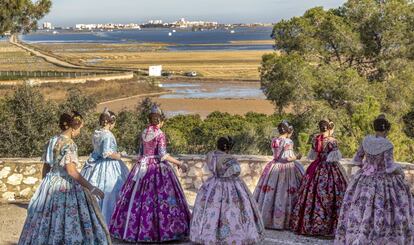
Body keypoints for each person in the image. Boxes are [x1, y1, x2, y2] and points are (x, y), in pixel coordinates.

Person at [18, 111, 111, 245]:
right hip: (64, 185)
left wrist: (45, 185)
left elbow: (46, 166)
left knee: (46, 220)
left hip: (49, 183)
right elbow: (71, 171)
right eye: (80, 128)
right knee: (67, 220)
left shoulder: (52, 141)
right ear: (74, 127)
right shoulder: (69, 144)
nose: (80, 132)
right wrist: (91, 188)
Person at [109, 105, 191, 243]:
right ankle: (162, 232)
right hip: (155, 168)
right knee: (161, 199)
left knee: (137, 199)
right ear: (160, 120)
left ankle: (134, 230)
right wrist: (179, 163)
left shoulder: (143, 132)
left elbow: (141, 153)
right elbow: (163, 155)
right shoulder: (160, 134)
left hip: (141, 166)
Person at [335, 115, 414, 244]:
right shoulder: (388, 144)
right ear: (387, 130)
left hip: (364, 180)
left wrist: (366, 168)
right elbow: (389, 168)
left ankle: (358, 235)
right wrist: (399, 171)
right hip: (383, 181)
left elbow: (356, 160)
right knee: (386, 208)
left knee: (360, 207)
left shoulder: (366, 140)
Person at [190, 136, 264, 244]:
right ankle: (232, 236)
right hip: (230, 185)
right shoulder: (229, 159)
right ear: (227, 147)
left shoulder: (211, 155)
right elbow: (236, 172)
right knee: (232, 210)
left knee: (211, 210)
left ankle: (207, 235)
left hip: (213, 184)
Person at [290, 119, 348, 237]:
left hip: (316, 168)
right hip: (329, 169)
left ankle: (309, 223)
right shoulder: (332, 141)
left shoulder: (315, 139)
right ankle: (328, 226)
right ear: (329, 128)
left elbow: (313, 155)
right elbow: (334, 158)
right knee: (332, 194)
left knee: (310, 193)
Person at [81, 108, 129, 226]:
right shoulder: (108, 135)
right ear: (110, 122)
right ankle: (110, 221)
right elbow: (107, 153)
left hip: (95, 165)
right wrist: (120, 155)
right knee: (112, 192)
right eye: (114, 122)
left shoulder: (97, 133)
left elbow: (97, 151)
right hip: (109, 166)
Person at [253, 120, 304, 230]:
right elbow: (287, 158)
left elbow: (277, 155)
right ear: (288, 131)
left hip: (274, 166)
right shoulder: (288, 142)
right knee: (284, 193)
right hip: (286, 169)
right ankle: (283, 221)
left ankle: (267, 219)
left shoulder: (274, 140)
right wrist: (298, 157)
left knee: (271, 193)